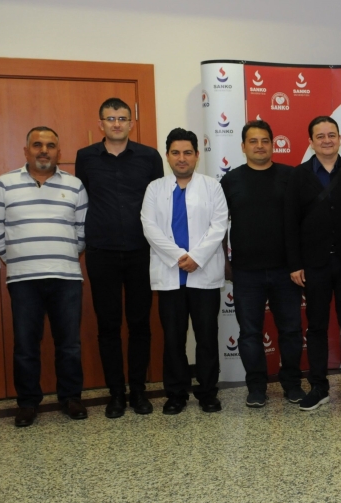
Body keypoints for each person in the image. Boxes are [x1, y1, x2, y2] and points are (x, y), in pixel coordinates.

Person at [0, 127, 89, 427]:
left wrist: (63, 253)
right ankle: (28, 403)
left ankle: (71, 398)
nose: (44, 150)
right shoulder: (4, 184)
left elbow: (83, 231)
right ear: (26, 150)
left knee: (69, 344)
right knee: (25, 345)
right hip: (23, 279)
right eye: (37, 145)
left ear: (59, 151)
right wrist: (16, 258)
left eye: (51, 145)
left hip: (66, 277)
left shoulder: (75, 185)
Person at [75, 98, 164, 418]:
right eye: (110, 119)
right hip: (101, 252)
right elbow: (84, 200)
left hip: (142, 251)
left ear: (131, 123)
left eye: (122, 118)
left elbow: (159, 202)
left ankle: (138, 390)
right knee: (108, 325)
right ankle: (115, 394)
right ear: (100, 124)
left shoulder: (149, 157)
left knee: (140, 324)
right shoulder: (85, 157)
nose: (116, 123)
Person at [285, 116, 341, 411]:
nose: (326, 140)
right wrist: (295, 264)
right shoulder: (299, 175)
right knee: (316, 327)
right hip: (314, 265)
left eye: (331, 135)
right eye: (320, 136)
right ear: (311, 142)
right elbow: (290, 223)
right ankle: (318, 387)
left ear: (339, 138)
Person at [141, 128, 228, 415]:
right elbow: (149, 227)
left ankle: (207, 392)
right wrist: (180, 257)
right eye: (176, 153)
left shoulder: (212, 187)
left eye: (187, 152)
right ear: (167, 156)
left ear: (197, 155)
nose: (182, 158)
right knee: (173, 338)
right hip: (170, 274)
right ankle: (176, 394)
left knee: (207, 337)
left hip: (204, 274)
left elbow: (219, 225)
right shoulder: (155, 188)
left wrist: (197, 258)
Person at [221, 121, 306, 408]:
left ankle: (292, 384)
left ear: (272, 144)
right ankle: (256, 387)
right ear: (243, 146)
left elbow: (303, 221)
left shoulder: (290, 176)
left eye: (265, 140)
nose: (260, 146)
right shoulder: (230, 180)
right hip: (246, 272)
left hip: (286, 270)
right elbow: (218, 225)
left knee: (291, 331)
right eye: (253, 141)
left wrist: (300, 261)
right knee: (249, 334)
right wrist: (225, 261)